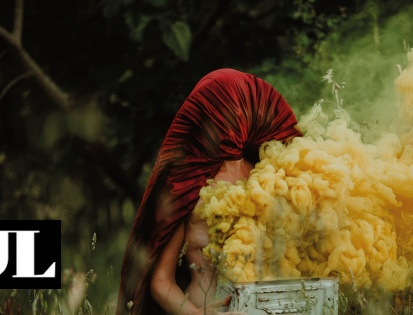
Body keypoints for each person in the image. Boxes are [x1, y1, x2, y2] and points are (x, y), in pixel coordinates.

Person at [116, 68, 302, 314]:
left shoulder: (269, 175)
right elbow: (160, 282)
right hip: (203, 306)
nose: (230, 118)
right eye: (223, 109)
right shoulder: (187, 183)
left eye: (237, 107)